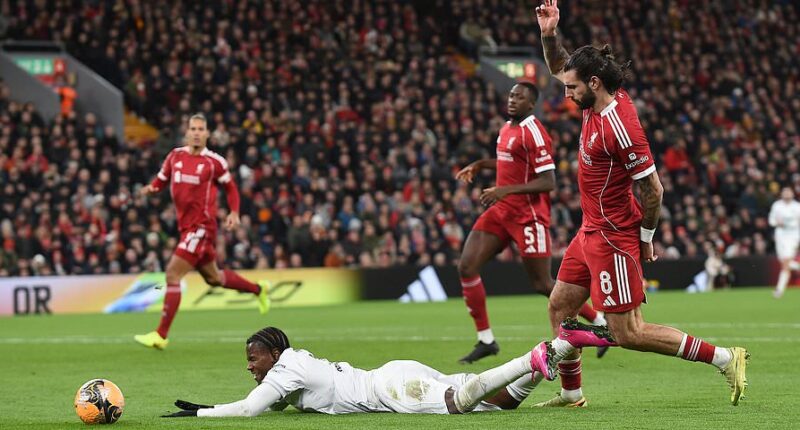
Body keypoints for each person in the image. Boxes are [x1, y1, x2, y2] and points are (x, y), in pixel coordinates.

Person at [528, 0, 748, 407]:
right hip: (589, 229)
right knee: (559, 306)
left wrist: (645, 238)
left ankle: (724, 358)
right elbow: (560, 64)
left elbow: (654, 190)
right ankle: (572, 393)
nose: (566, 92)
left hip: (614, 237)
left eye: (572, 87)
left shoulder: (621, 128)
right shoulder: (593, 99)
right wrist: (548, 33)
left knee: (629, 332)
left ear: (594, 83)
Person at [454, 82, 607, 365]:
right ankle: (486, 340)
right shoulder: (506, 128)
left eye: (520, 97)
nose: (513, 100)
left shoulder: (535, 132)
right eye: (511, 94)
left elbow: (549, 181)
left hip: (529, 216)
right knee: (466, 266)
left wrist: (504, 190)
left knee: (542, 283)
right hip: (502, 212)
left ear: (531, 104)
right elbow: (508, 164)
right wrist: (479, 165)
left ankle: (598, 319)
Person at [160, 325, 609, 417]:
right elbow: (276, 401)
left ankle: (531, 360)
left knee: (459, 403)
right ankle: (564, 347)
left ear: (274, 355)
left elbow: (248, 411)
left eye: (253, 358)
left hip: (390, 390)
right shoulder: (295, 362)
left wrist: (202, 412)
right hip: (394, 373)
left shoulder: (283, 372)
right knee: (500, 403)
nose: (249, 365)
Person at [134, 113, 270, 350]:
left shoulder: (214, 162)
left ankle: (160, 335)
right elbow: (162, 179)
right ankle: (259, 289)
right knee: (214, 278)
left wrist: (234, 212)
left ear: (207, 133)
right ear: (187, 132)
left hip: (202, 227)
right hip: (186, 228)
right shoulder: (175, 156)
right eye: (193, 128)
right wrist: (151, 189)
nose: (196, 132)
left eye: (201, 129)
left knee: (172, 274)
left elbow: (231, 188)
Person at [768, 186, 800, 298]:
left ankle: (779, 291)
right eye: (784, 192)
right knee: (784, 263)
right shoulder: (776, 205)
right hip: (780, 236)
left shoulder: (797, 207)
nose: (786, 194)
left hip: (792, 237)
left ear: (792, 193)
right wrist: (776, 222)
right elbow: (771, 220)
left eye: (788, 192)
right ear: (781, 194)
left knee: (786, 264)